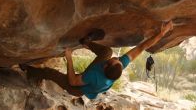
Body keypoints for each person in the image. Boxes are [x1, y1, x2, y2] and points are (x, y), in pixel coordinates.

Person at [22, 21, 173, 99]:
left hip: (76, 88)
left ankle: (28, 70)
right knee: (107, 51)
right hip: (90, 77)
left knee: (51, 73)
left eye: (113, 60)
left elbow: (74, 81)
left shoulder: (95, 76)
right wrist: (162, 33)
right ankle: (86, 42)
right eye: (118, 60)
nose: (116, 59)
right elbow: (141, 48)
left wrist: (69, 58)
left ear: (105, 67)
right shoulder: (118, 66)